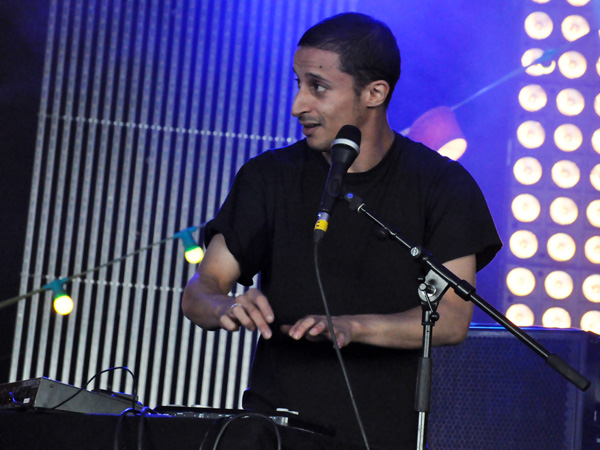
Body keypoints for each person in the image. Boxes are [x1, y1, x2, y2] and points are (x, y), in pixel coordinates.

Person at [182, 12, 502, 449]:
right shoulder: (267, 176)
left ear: (374, 93)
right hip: (272, 432)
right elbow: (201, 289)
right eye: (298, 83)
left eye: (317, 87)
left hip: (385, 436)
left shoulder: (443, 185)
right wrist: (223, 304)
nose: (298, 104)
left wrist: (352, 327)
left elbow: (452, 319)